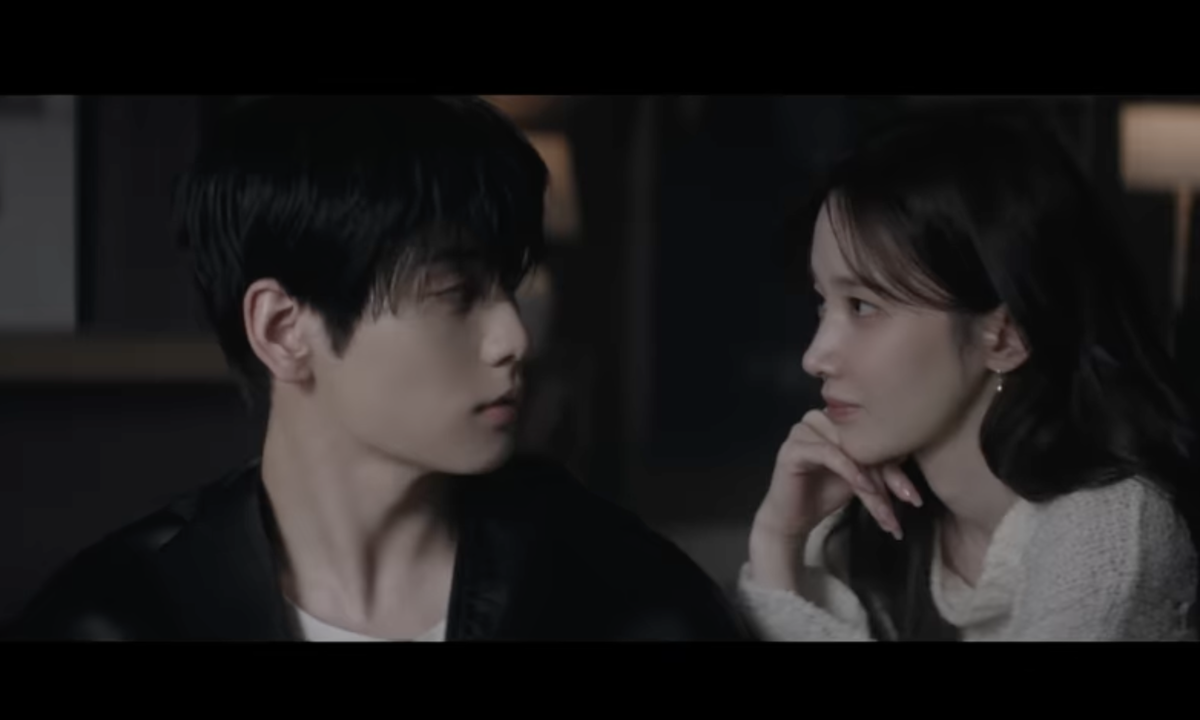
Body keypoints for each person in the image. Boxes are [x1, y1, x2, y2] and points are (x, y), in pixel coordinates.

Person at [6, 95, 747, 641]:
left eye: (508, 288)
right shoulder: (117, 618)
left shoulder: (620, 595)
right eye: (456, 293)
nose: (513, 337)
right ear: (282, 330)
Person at [737, 106, 1200, 641]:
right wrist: (778, 539)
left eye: (862, 306)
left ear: (1005, 337)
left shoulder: (1111, 533)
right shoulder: (872, 526)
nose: (815, 357)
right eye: (824, 303)